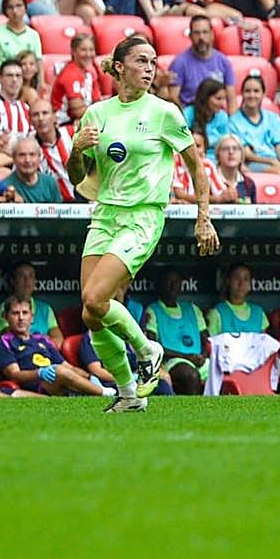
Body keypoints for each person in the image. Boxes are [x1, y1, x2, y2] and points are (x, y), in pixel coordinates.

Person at [67, 34, 220, 412]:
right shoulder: (97, 114)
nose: (150, 69)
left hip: (142, 217)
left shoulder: (165, 112)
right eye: (141, 61)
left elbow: (196, 167)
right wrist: (77, 150)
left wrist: (203, 216)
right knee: (91, 312)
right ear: (120, 68)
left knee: (96, 298)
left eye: (152, 62)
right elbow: (76, 177)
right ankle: (129, 394)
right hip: (104, 215)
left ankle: (146, 350)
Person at [0, 297, 111, 396]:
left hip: (58, 380)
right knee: (58, 371)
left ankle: (91, 388)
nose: (21, 318)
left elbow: (66, 366)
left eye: (25, 313)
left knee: (64, 370)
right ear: (6, 317)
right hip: (36, 385)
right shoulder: (3, 342)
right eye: (15, 313)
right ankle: (104, 393)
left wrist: (89, 377)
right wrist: (39, 373)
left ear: (32, 317)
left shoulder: (42, 339)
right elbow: (14, 375)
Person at [143, 270, 209, 396]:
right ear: (160, 285)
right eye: (168, 282)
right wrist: (187, 357)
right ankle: (192, 407)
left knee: (221, 371)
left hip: (199, 359)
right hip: (172, 361)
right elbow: (153, 346)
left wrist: (203, 357)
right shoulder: (153, 310)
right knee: (191, 375)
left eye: (176, 282)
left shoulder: (192, 309)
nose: (172, 286)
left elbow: (207, 341)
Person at [205, 264, 270, 336]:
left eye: (246, 279)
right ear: (228, 281)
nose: (241, 283)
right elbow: (209, 342)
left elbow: (263, 341)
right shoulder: (216, 313)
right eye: (236, 278)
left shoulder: (259, 313)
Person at [7, 136, 63, 203]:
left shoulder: (50, 183)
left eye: (32, 154)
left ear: (39, 157)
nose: (27, 160)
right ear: (14, 158)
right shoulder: (6, 187)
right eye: (22, 155)